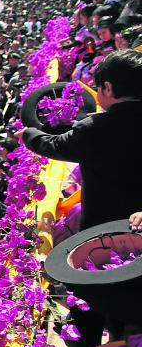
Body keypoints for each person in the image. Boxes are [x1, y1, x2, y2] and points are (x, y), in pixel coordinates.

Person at [20, 49, 142, 229]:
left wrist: (28, 134)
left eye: (97, 87)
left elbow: (53, 145)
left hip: (104, 230)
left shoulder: (95, 128)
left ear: (108, 88)